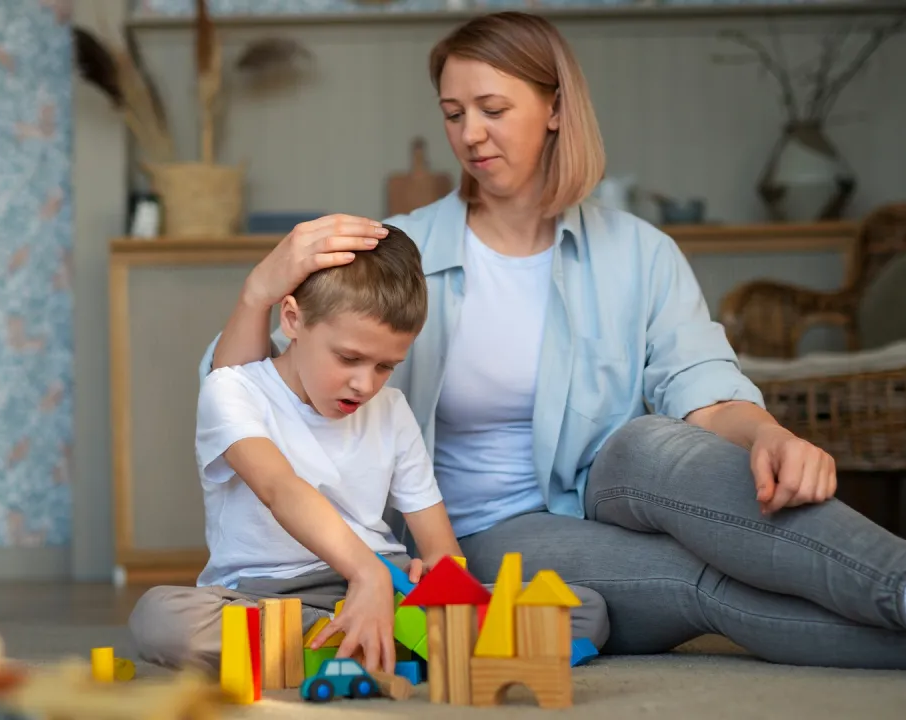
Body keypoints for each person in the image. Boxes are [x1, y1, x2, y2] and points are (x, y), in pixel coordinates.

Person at [190, 11, 906, 694]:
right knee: (700, 583)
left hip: (609, 483)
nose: (470, 133)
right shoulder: (399, 248)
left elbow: (702, 387)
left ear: (555, 109)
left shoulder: (636, 252)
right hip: (475, 531)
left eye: (494, 108)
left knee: (652, 441)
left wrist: (766, 435)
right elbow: (240, 394)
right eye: (454, 111)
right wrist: (263, 283)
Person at [129, 225, 609, 675]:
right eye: (349, 358)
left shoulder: (392, 410)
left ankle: (363, 642)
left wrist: (440, 584)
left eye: (385, 366)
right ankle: (384, 643)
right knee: (161, 618)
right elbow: (279, 488)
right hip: (267, 594)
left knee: (584, 609)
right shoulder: (232, 390)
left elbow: (439, 543)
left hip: (388, 581)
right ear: (293, 320)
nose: (364, 384)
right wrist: (365, 575)